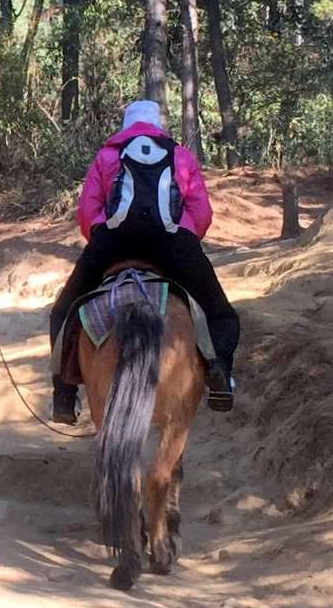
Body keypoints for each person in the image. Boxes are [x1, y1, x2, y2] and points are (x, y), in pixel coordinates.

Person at [48, 100, 241, 424]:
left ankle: (63, 397)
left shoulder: (107, 155)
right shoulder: (180, 156)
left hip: (114, 243)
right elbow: (202, 213)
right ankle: (220, 373)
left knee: (63, 311)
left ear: (126, 126)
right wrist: (184, 236)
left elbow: (87, 211)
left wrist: (101, 233)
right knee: (221, 313)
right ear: (158, 125)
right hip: (171, 242)